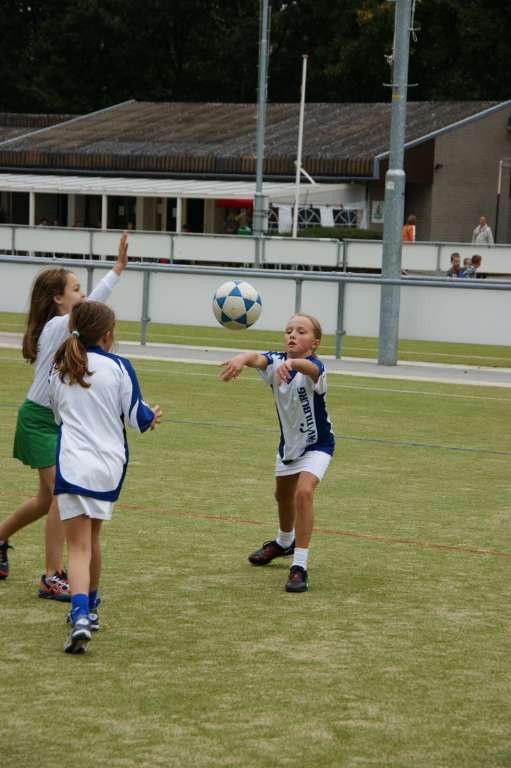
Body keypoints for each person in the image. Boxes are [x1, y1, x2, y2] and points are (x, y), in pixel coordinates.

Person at [0, 233, 129, 600]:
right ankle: (53, 576)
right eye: (76, 289)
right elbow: (93, 308)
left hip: (52, 422)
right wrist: (116, 271)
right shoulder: (59, 325)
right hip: (37, 420)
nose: (83, 294)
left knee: (46, 500)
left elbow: (90, 310)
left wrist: (117, 270)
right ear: (58, 299)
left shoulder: (64, 327)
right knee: (61, 496)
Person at [49, 301, 161, 653]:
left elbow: (57, 417)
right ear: (109, 334)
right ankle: (91, 608)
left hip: (73, 464)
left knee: (78, 547)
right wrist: (151, 415)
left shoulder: (61, 366)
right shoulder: (119, 366)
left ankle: (80, 615)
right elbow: (136, 418)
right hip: (108, 468)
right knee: (92, 539)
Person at [219, 314, 335, 594]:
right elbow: (257, 358)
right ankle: (285, 542)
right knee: (282, 496)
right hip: (289, 447)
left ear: (314, 342)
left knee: (303, 494)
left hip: (318, 445)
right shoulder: (275, 362)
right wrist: (240, 358)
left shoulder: (315, 366)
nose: (292, 335)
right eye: (288, 331)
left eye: (301, 331)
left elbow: (311, 369)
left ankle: (300, 566)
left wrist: (294, 363)